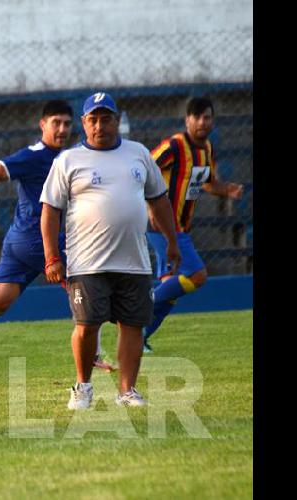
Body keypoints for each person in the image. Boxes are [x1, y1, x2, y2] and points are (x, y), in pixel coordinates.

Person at [0, 100, 116, 373]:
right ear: (42, 125)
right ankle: (94, 353)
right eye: (55, 123)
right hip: (39, 240)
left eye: (66, 123)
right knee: (92, 287)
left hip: (19, 243)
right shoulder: (35, 155)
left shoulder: (69, 156)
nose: (62, 129)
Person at [39, 92, 181, 409]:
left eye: (106, 118)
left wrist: (172, 241)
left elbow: (158, 200)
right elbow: (50, 211)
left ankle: (127, 390)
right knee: (87, 325)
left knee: (132, 325)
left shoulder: (139, 154)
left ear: (117, 121)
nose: (99, 125)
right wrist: (52, 257)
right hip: (86, 263)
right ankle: (83, 386)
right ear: (84, 123)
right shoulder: (69, 160)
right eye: (93, 119)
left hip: (134, 261)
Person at [142, 96, 245, 352]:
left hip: (182, 228)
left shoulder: (206, 149)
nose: (202, 122)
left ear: (212, 121)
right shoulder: (174, 146)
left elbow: (207, 183)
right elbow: (143, 170)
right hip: (162, 225)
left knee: (173, 288)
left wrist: (227, 190)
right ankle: (141, 308)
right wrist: (149, 206)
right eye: (196, 117)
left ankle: (140, 336)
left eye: (207, 117)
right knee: (197, 275)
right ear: (187, 120)